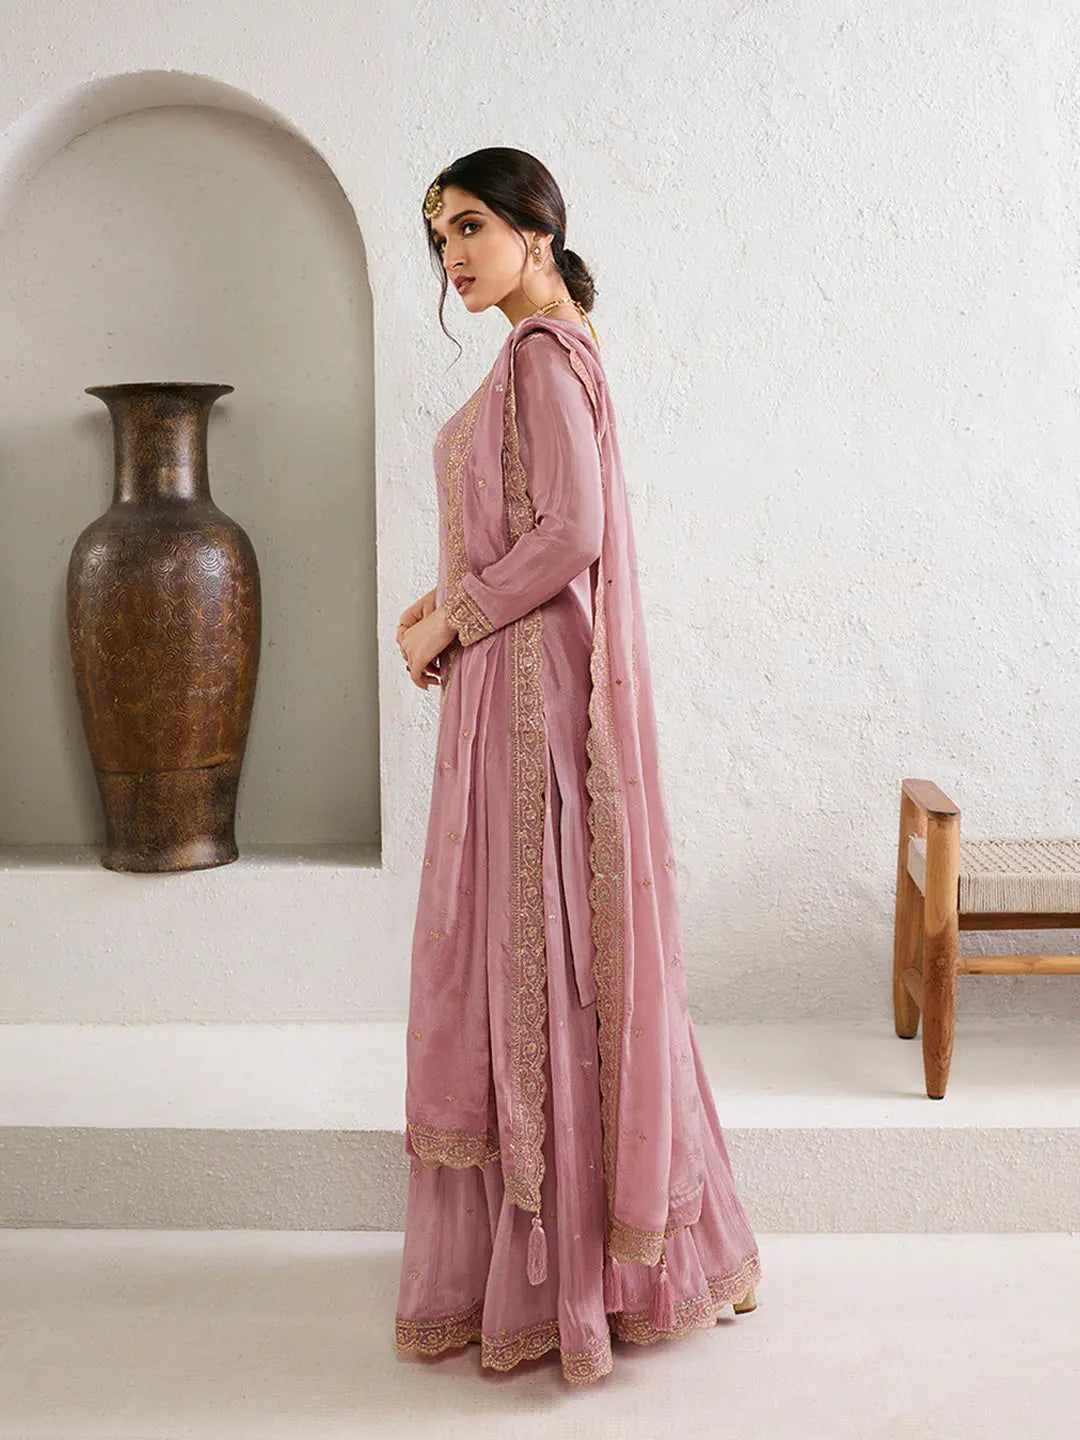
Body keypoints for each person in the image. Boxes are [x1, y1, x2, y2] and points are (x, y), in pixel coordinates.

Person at [394, 147, 761, 1388]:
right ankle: (628, 1251)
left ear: (537, 233)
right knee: (546, 951)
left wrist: (457, 618)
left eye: (471, 225)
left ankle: (582, 1275)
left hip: (528, 698)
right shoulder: (542, 352)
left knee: (540, 956)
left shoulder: (544, 355)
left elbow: (573, 531)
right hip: (511, 679)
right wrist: (442, 611)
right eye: (440, 234)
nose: (452, 253)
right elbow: (529, 529)